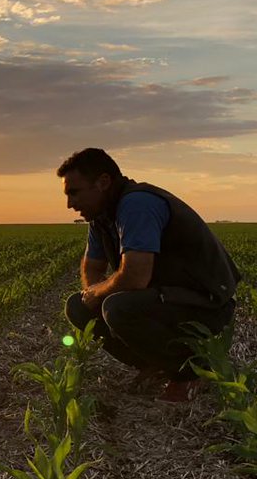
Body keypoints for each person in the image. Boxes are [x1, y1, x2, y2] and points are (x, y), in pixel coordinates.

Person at [57, 148, 239, 402]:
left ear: (103, 182)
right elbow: (91, 266)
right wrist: (91, 294)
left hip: (205, 302)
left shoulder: (137, 204)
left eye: (74, 193)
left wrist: (97, 292)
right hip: (164, 297)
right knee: (78, 306)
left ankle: (191, 371)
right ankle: (156, 363)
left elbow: (135, 276)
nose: (70, 204)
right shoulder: (101, 217)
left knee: (117, 308)